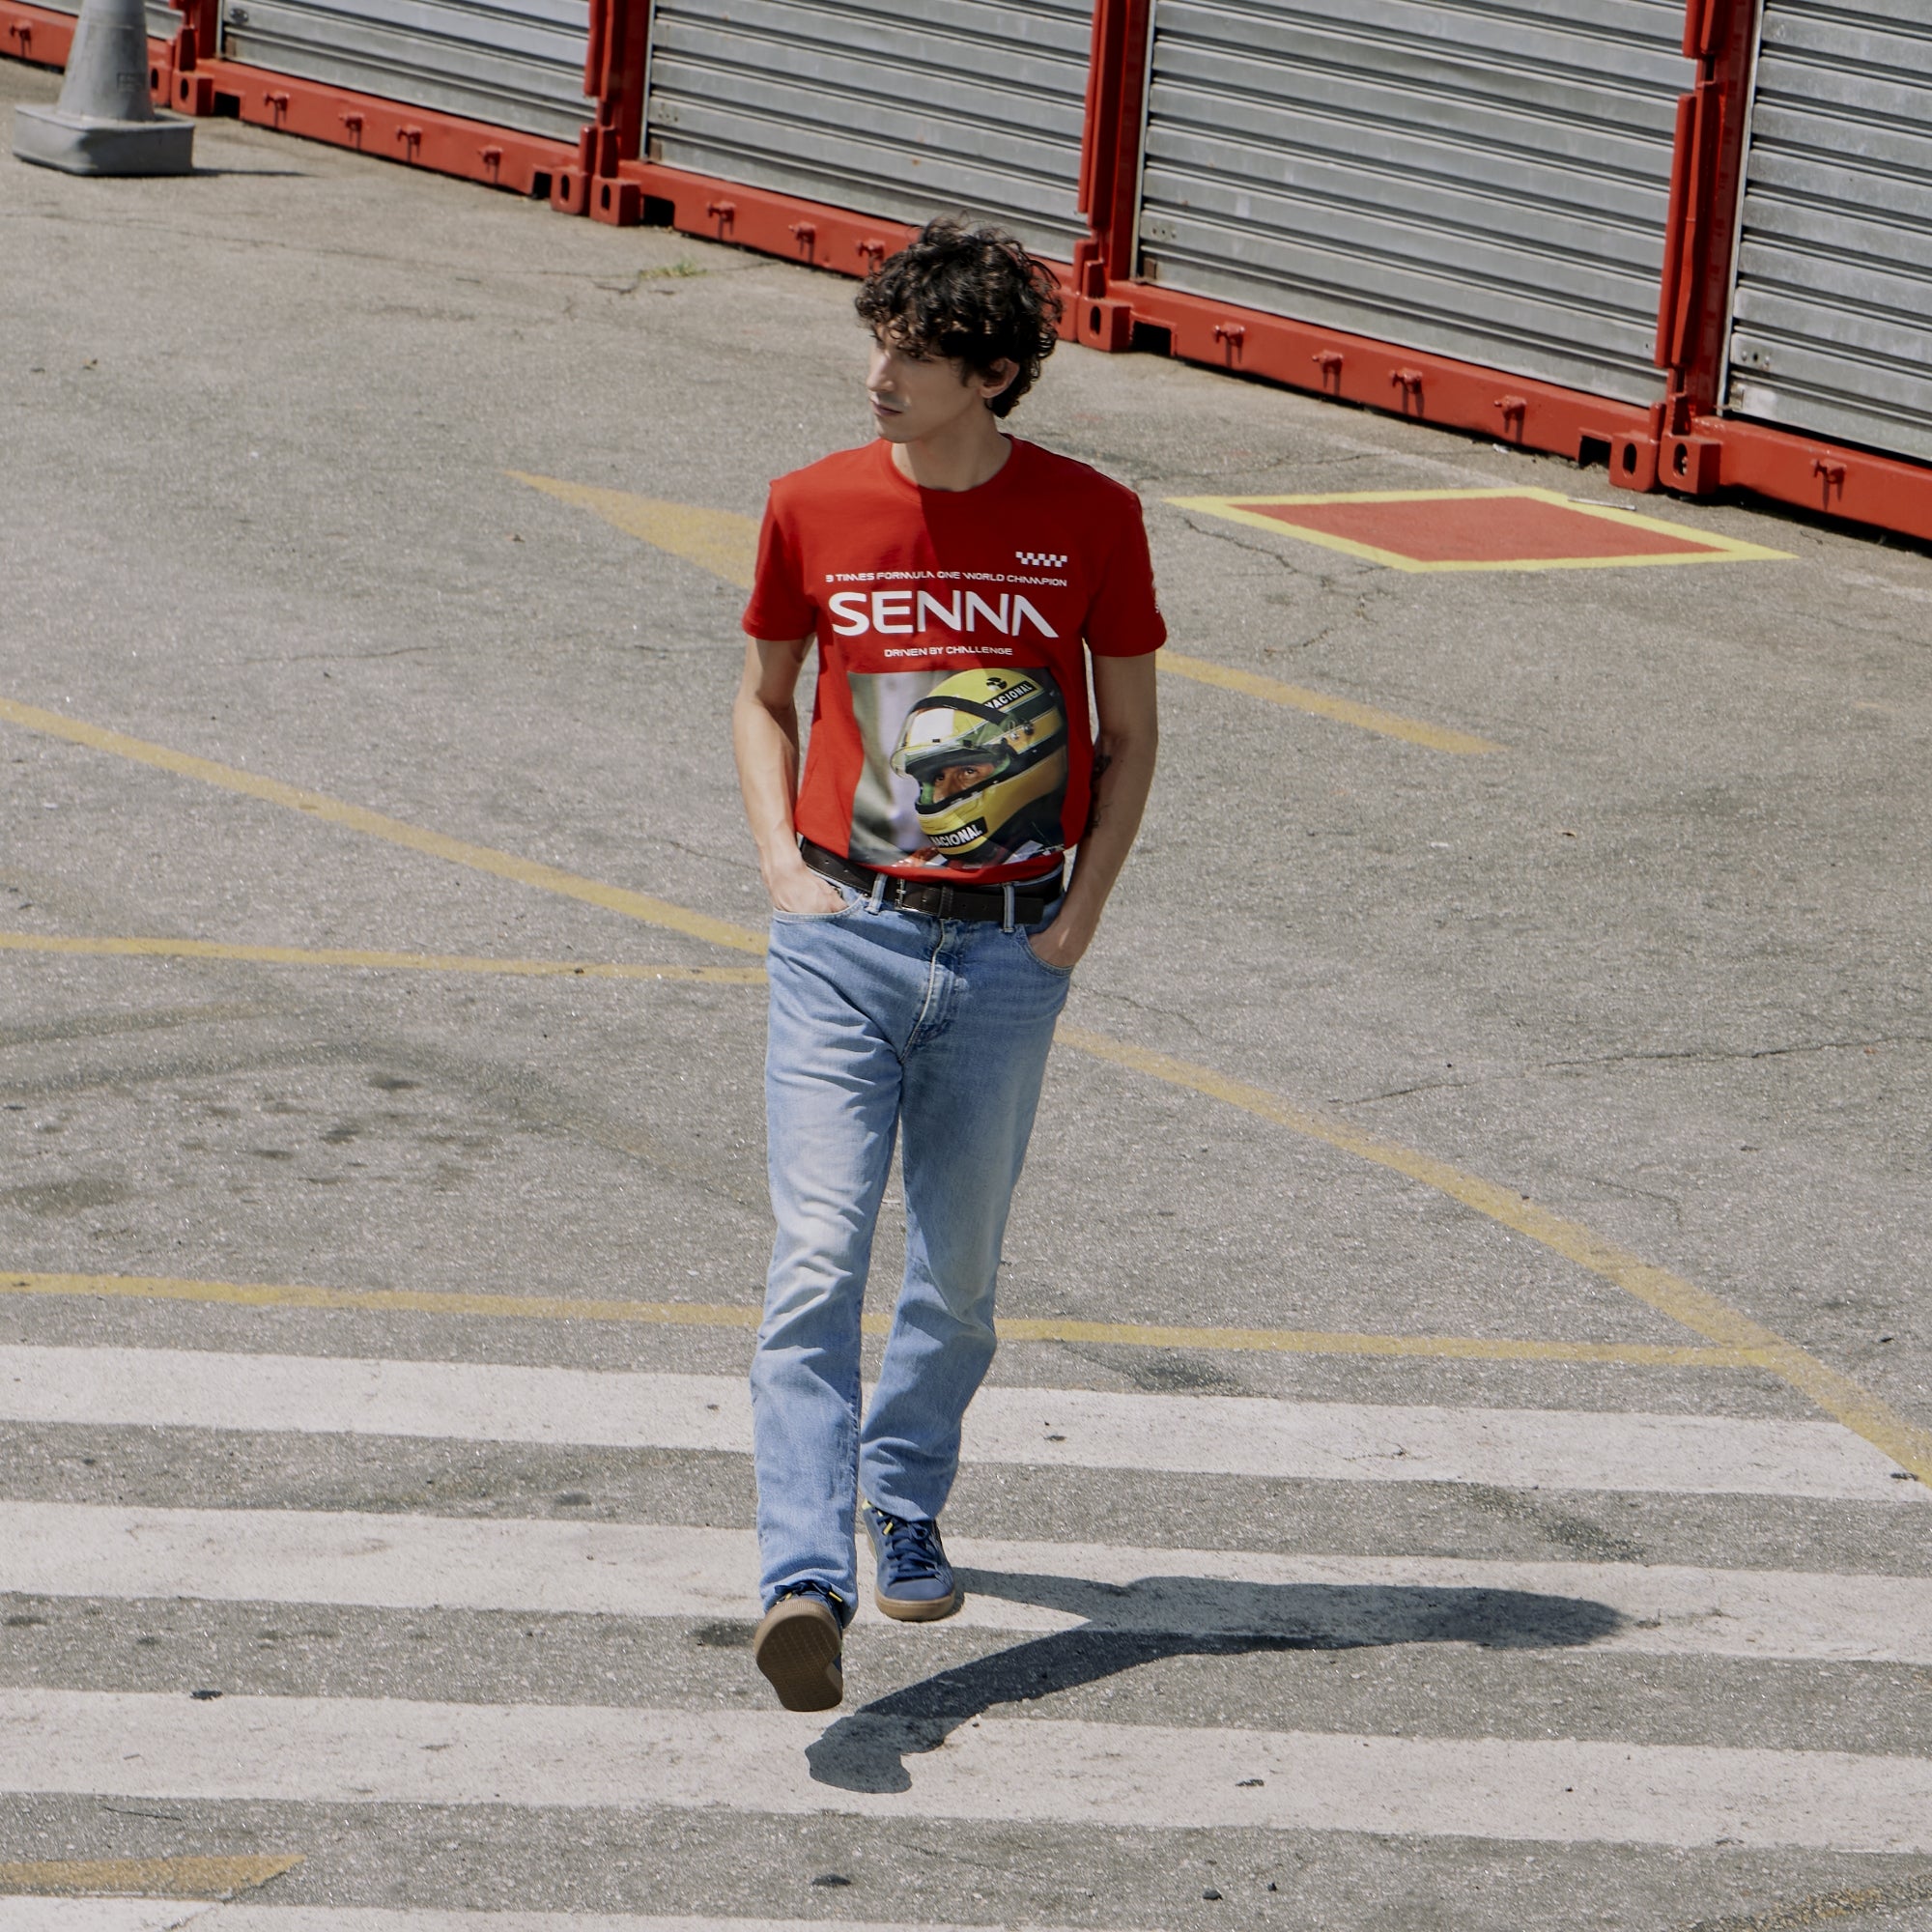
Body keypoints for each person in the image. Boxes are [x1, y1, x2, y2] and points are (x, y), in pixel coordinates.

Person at [731, 215, 1164, 1713]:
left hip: (1004, 954)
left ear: (990, 374)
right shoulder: (812, 506)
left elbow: (1130, 738)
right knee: (813, 1260)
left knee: (959, 1275)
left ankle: (903, 1488)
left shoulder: (1092, 519)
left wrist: (1077, 918)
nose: (878, 373)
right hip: (843, 938)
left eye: (912, 354)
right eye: (879, 341)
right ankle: (804, 1573)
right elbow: (764, 697)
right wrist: (787, 873)